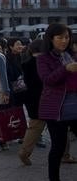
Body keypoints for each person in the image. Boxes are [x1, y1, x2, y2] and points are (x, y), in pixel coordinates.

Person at [37, 23, 77, 181]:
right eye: (60, 37)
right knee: (58, 147)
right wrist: (66, 69)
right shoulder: (43, 59)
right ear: (51, 39)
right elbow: (47, 80)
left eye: (66, 37)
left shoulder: (72, 55)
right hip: (55, 109)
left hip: (74, 107)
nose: (64, 41)